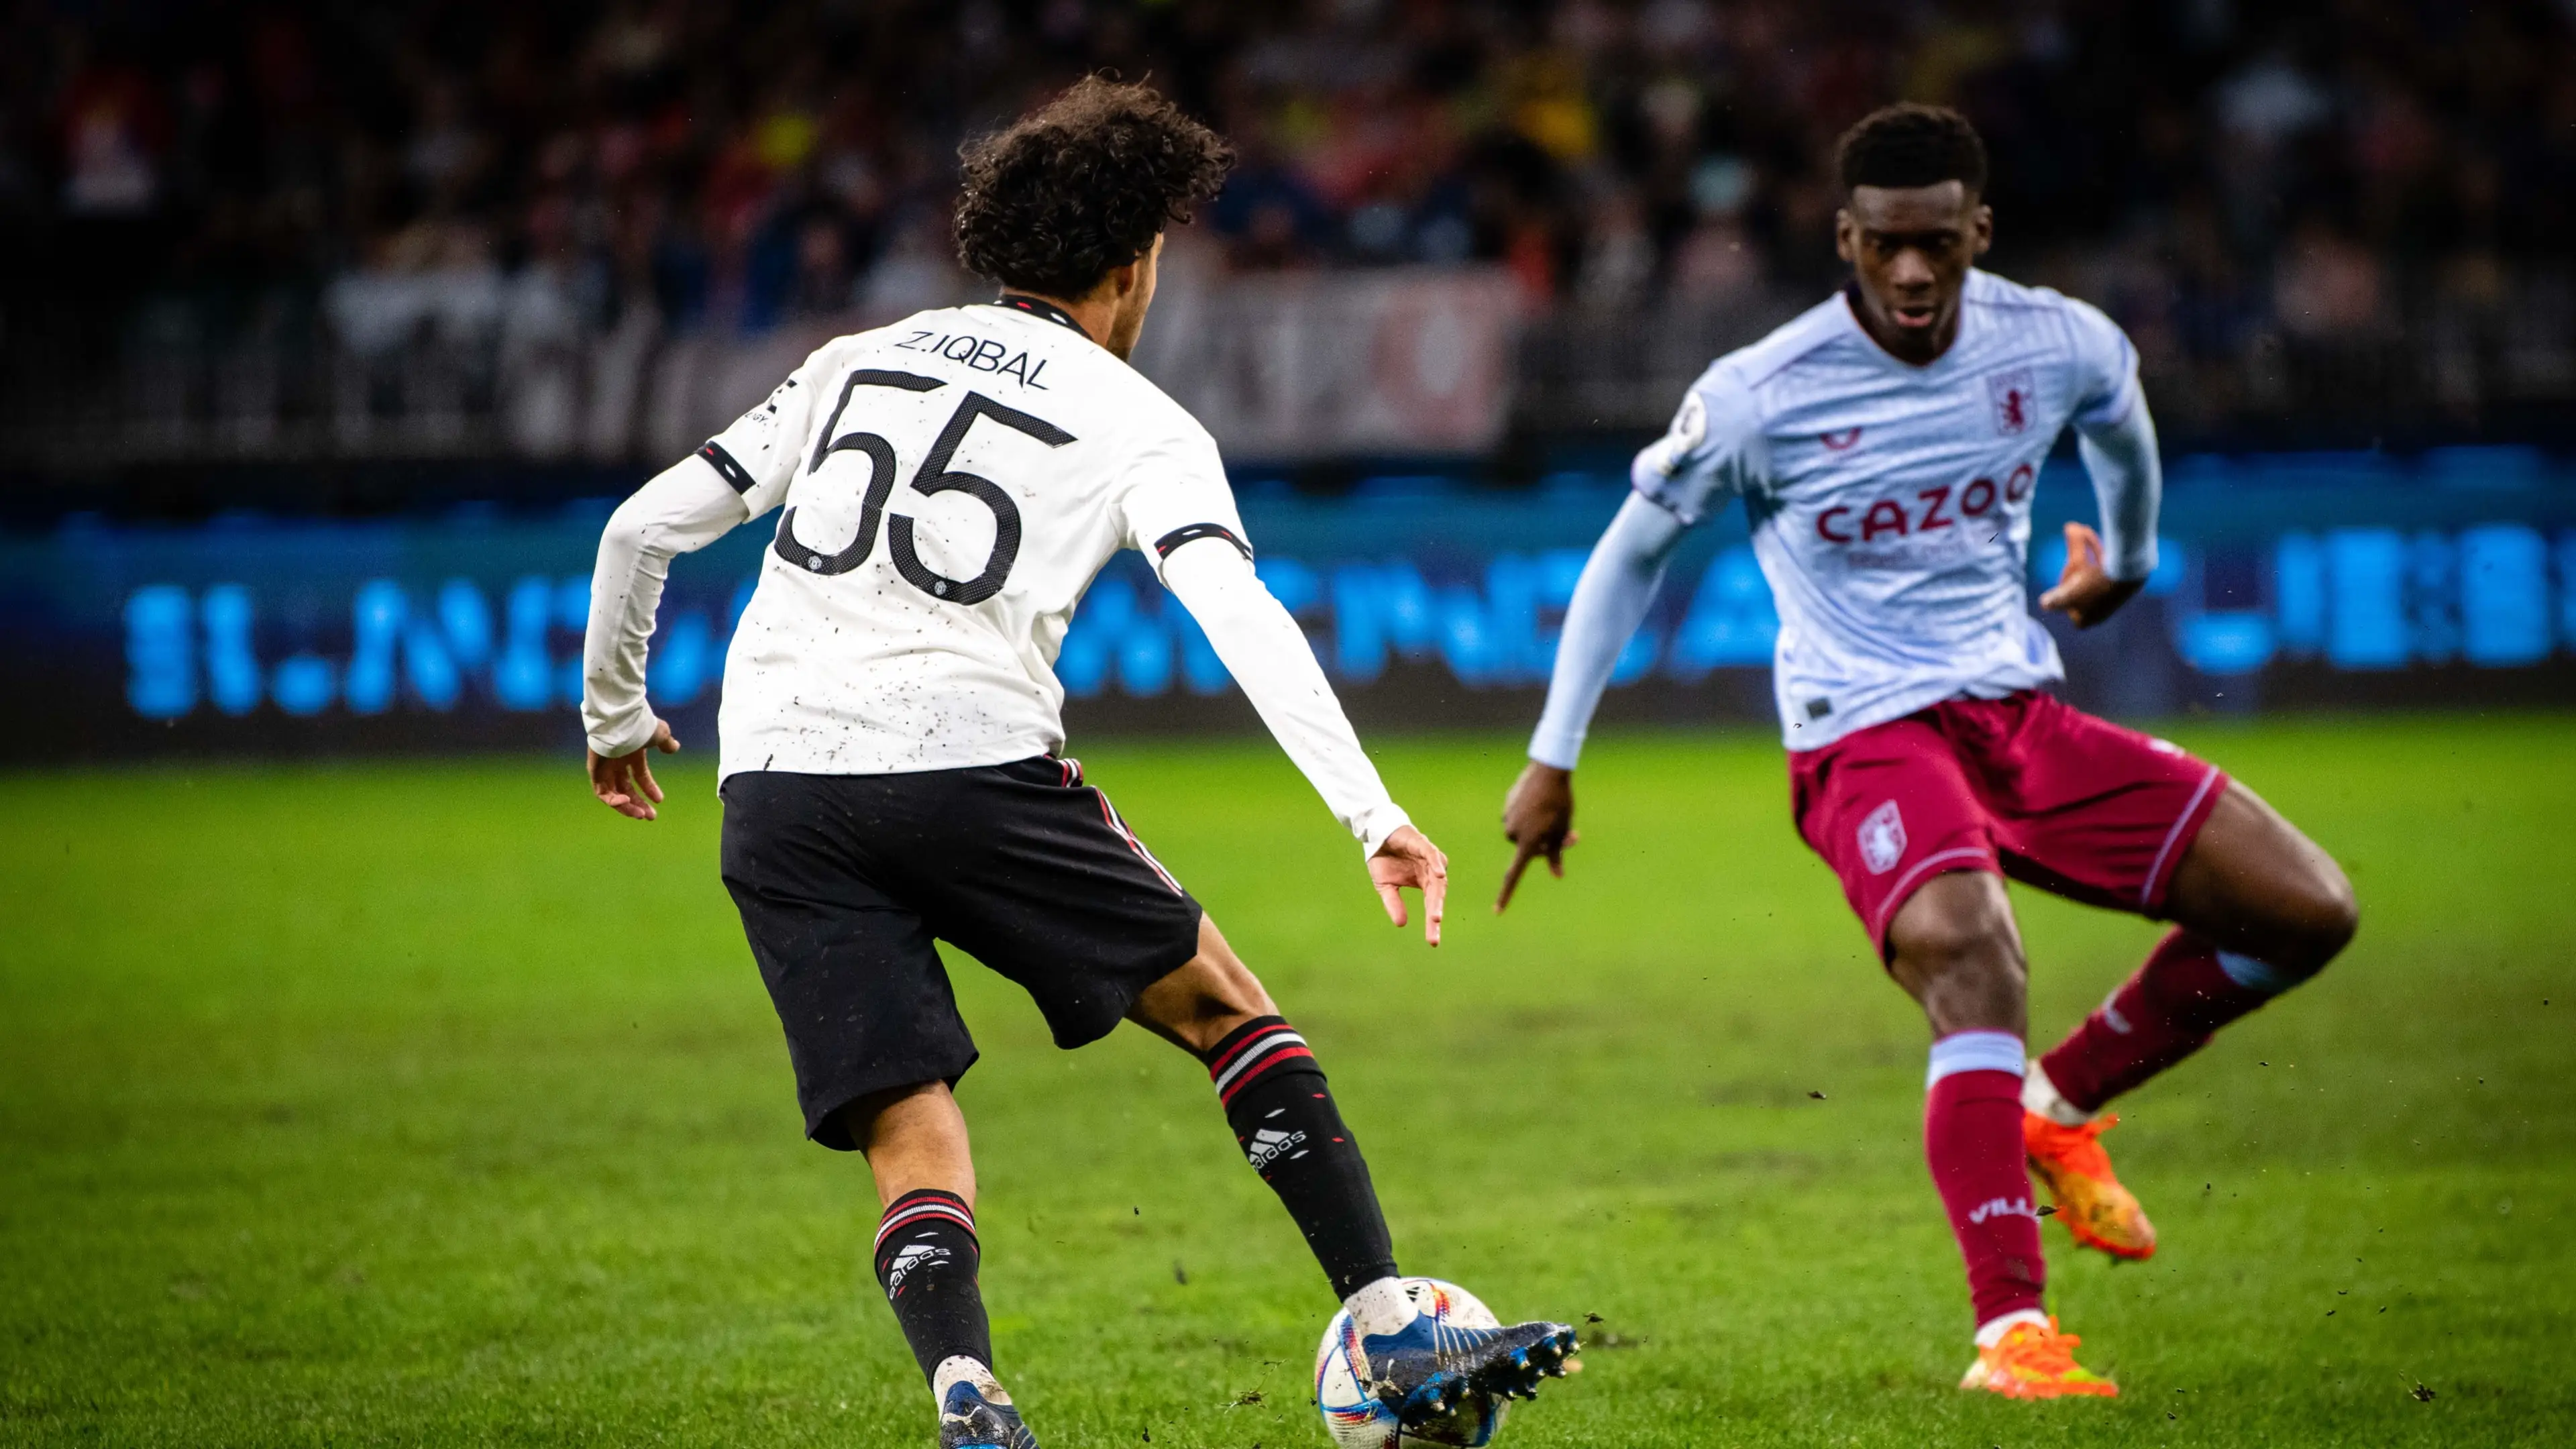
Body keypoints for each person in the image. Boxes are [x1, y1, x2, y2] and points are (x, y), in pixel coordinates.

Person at [576, 78, 1574, 1449]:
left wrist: (615, 717)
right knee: (1226, 1010)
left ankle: (966, 1389)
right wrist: (1372, 810)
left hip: (779, 786)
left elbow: (640, 529)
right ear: (1131, 265)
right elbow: (1236, 611)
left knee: (906, 1118)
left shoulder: (858, 357)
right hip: (969, 765)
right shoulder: (1140, 423)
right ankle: (1393, 1330)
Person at [1495, 103, 2356, 1400]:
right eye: (1886, 246)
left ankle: (2053, 1110)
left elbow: (2121, 419)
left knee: (2308, 910)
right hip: (1863, 735)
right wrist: (1553, 757)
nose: (1912, 273)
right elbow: (1630, 553)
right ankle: (2013, 1337)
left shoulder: (2055, 340)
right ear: (1846, 239)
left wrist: (2125, 559)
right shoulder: (1759, 394)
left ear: (1979, 234)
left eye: (1939, 246)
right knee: (1972, 948)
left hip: (2017, 712)